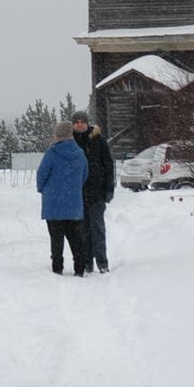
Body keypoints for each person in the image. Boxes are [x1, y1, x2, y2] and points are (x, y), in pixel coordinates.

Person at [36, 122, 89, 276]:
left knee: (56, 238)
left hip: (54, 202)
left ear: (57, 135)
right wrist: (73, 188)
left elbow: (42, 174)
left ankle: (57, 266)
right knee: (75, 237)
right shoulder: (79, 153)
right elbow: (84, 175)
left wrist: (43, 189)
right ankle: (79, 266)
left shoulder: (52, 153)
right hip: (73, 203)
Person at [75, 111, 116, 273]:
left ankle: (102, 262)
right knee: (82, 230)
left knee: (98, 229)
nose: (79, 124)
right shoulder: (70, 142)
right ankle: (87, 263)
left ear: (87, 123)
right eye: (76, 122)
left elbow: (108, 166)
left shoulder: (99, 141)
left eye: (82, 121)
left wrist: (109, 188)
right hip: (78, 195)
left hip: (97, 193)